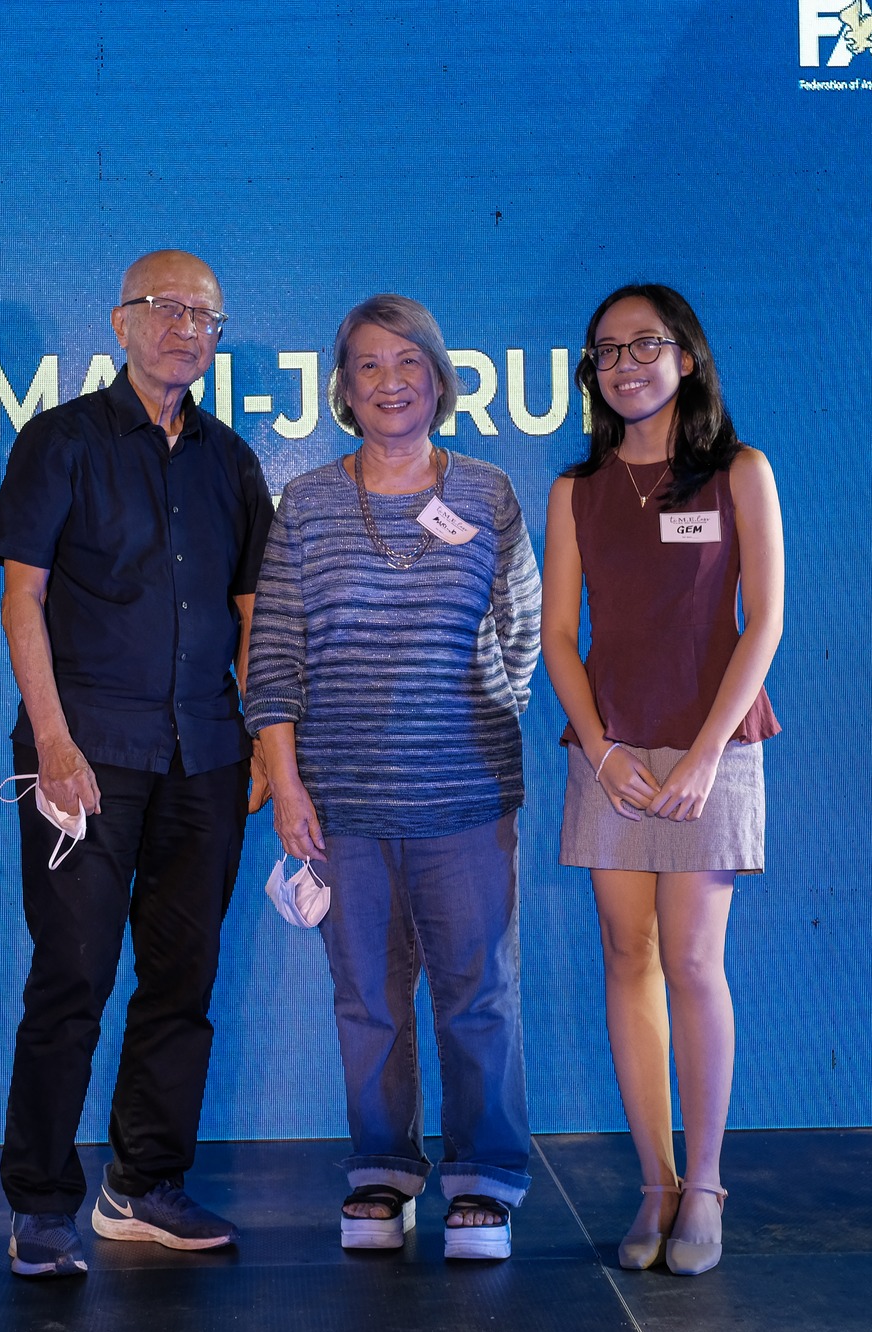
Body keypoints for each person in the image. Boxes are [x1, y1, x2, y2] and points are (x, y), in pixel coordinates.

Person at [0, 250, 273, 1279]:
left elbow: (253, 619)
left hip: (205, 758)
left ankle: (143, 1185)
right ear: (119, 321)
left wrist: (265, 748)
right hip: (86, 759)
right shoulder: (59, 441)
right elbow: (21, 601)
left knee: (181, 978)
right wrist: (53, 744)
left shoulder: (231, 462)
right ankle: (41, 1202)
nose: (185, 327)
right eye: (165, 308)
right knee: (71, 976)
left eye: (206, 313)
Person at [247, 294, 542, 1261]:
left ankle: (486, 1179)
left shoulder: (491, 493)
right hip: (346, 809)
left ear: (438, 377)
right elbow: (276, 655)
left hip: (464, 800)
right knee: (366, 1002)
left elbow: (527, 636)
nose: (389, 383)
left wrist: (476, 717)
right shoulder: (309, 504)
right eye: (367, 366)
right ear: (342, 388)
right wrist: (287, 786)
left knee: (477, 994)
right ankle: (382, 1171)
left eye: (406, 362)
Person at [540, 283, 784, 1276]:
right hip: (608, 751)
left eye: (644, 344)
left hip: (710, 749)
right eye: (604, 351)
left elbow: (762, 622)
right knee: (622, 955)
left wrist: (703, 755)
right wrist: (598, 750)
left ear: (686, 357)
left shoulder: (739, 471)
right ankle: (654, 1182)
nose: (623, 364)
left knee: (692, 962)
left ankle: (707, 1188)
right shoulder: (576, 490)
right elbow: (559, 634)